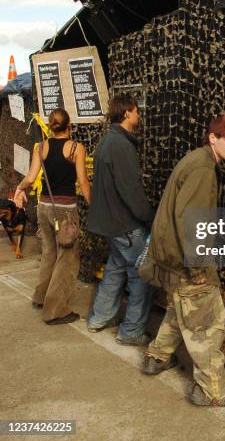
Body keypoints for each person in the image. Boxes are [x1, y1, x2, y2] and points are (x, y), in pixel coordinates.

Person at [140, 113, 225, 407]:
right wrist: (199, 267)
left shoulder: (196, 160)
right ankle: (211, 390)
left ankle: (156, 356)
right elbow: (193, 223)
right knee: (207, 321)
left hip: (170, 257)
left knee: (180, 309)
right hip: (187, 261)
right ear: (212, 138)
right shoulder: (203, 169)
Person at [86, 94, 154, 346]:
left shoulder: (107, 141)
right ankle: (131, 331)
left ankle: (98, 319)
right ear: (126, 113)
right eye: (136, 111)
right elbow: (131, 190)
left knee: (114, 270)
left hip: (109, 225)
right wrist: (149, 218)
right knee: (141, 277)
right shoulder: (122, 146)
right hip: (125, 226)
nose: (139, 115)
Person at [14, 108, 91, 324]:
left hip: (44, 207)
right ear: (70, 126)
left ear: (50, 126)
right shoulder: (76, 148)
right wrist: (93, 203)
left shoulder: (40, 147)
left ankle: (40, 297)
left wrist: (19, 189)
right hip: (65, 210)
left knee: (49, 252)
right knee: (66, 259)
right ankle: (55, 310)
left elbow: (30, 178)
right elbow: (83, 182)